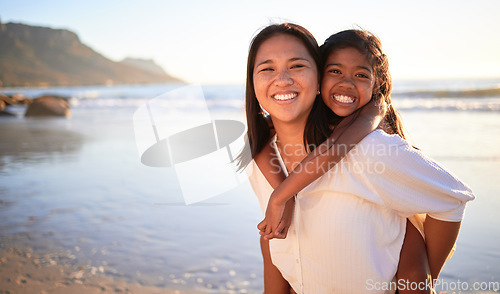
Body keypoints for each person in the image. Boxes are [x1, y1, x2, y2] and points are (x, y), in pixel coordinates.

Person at [250, 27, 475, 293]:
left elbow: (451, 198)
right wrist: (281, 195)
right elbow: (278, 248)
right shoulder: (262, 152)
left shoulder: (370, 148)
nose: (283, 79)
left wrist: (420, 281)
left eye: (297, 65)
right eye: (335, 71)